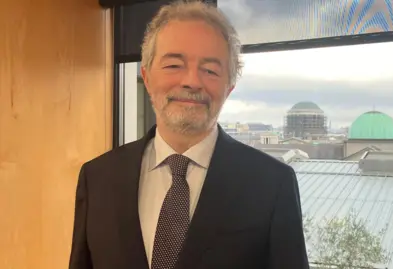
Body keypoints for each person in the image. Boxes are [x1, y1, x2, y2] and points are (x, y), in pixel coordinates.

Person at [68, 0, 308, 268]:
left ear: (229, 87)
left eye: (210, 70)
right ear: (146, 77)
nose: (192, 81)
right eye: (173, 65)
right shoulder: (98, 177)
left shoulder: (272, 185)